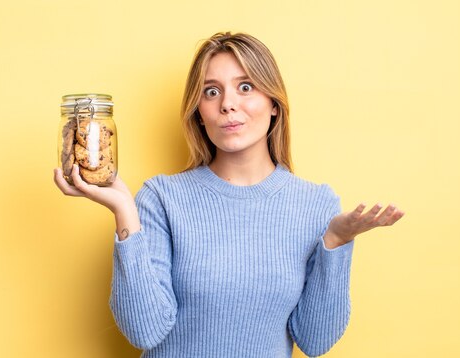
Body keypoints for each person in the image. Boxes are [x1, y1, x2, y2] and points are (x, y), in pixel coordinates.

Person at [54, 32, 404, 357]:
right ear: (199, 114)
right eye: (211, 91)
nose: (227, 104)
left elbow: (315, 340)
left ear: (274, 105)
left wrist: (336, 241)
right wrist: (124, 211)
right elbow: (145, 332)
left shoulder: (317, 204)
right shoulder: (162, 198)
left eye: (246, 87)